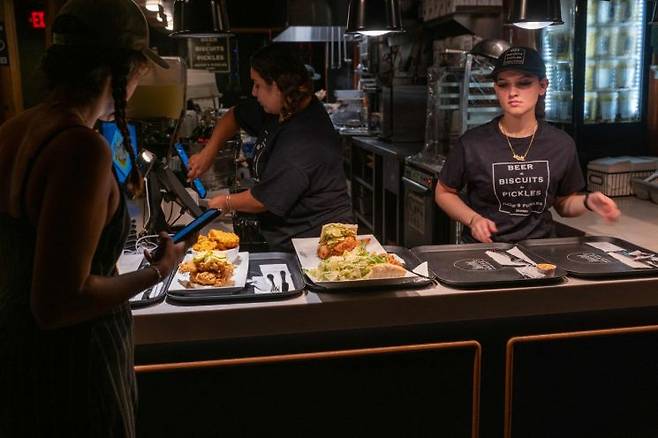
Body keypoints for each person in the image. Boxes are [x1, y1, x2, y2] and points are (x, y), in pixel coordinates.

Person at [0, 1, 189, 436]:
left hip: (16, 358)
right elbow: (58, 302)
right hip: (71, 369)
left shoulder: (17, 127)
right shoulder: (80, 149)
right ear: (124, 69)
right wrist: (157, 271)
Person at [436, 47, 620, 243]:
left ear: (542, 86)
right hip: (484, 252)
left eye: (524, 83)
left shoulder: (561, 144)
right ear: (495, 89)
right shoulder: (473, 143)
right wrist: (473, 219)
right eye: (503, 85)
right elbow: (444, 192)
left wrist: (587, 201)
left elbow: (563, 203)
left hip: (540, 252)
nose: (512, 92)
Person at [188, 44, 353, 251]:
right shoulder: (281, 108)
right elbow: (234, 115)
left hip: (316, 243)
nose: (253, 92)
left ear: (277, 86)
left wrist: (225, 202)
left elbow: (262, 199)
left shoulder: (304, 140)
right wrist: (208, 153)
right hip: (289, 234)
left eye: (257, 85)